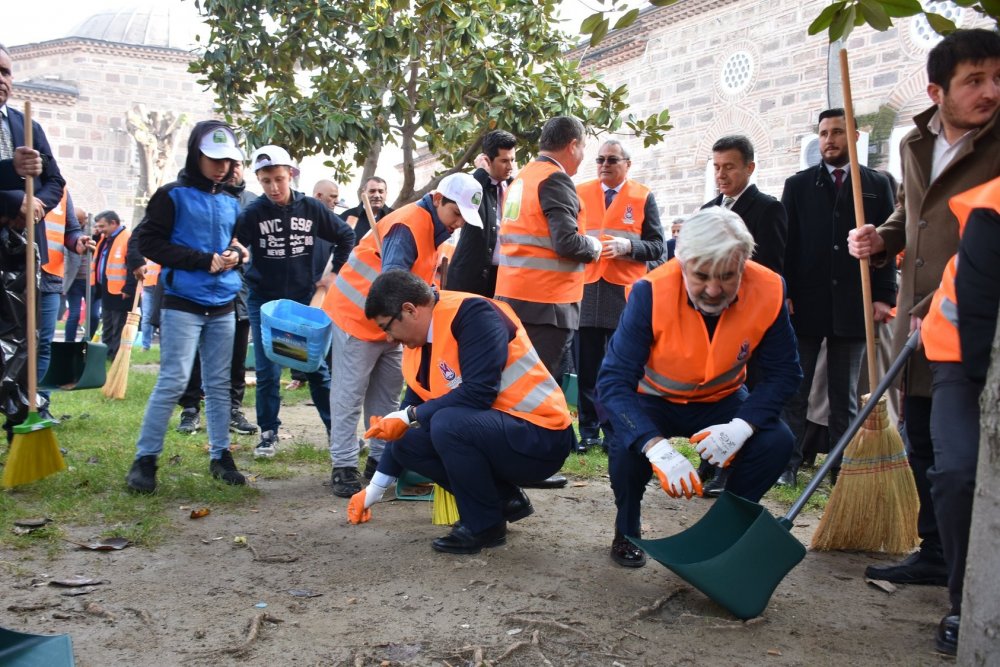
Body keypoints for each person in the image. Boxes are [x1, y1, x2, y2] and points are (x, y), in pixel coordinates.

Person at [847, 29, 1000, 606]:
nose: (991, 92)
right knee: (924, 442)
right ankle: (937, 551)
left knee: (962, 455)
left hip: (970, 317)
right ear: (937, 91)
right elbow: (911, 212)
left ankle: (971, 574)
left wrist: (930, 302)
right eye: (974, 80)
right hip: (917, 320)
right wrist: (879, 239)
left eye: (998, 79)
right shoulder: (917, 143)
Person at [597, 207, 801, 568]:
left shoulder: (770, 287)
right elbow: (613, 381)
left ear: (744, 265)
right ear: (682, 262)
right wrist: (655, 447)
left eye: (727, 276)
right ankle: (627, 530)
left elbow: (785, 372)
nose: (713, 290)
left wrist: (742, 427)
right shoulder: (650, 291)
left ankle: (726, 529)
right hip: (653, 397)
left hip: (722, 398)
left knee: (776, 441)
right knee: (626, 447)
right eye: (701, 276)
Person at [346, 270, 575, 555]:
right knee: (407, 441)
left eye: (387, 327)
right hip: (500, 434)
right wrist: (375, 489)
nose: (389, 338)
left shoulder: (473, 314)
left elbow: (479, 392)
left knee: (447, 423)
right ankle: (503, 501)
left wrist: (409, 416)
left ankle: (483, 526)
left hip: (540, 436)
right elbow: (409, 413)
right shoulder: (418, 343)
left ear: (410, 310)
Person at [321, 172, 483, 497]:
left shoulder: (435, 229)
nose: (458, 224)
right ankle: (344, 466)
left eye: (464, 219)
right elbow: (391, 283)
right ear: (438, 199)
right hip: (358, 319)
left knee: (387, 397)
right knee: (349, 395)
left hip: (394, 325)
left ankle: (381, 461)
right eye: (456, 214)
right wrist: (397, 325)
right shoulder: (408, 224)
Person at [126, 120, 249, 493]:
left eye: (227, 160)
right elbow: (149, 241)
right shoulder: (171, 195)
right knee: (174, 380)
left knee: (219, 384)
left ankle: (221, 456)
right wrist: (201, 260)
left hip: (224, 303)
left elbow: (238, 242)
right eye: (213, 159)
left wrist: (237, 254)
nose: (221, 167)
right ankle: (145, 460)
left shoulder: (232, 200)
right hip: (183, 302)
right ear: (196, 154)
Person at [778, 108, 897, 487]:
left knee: (844, 394)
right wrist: (785, 291)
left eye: (837, 132)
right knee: (797, 389)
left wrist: (884, 296)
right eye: (824, 133)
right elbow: (786, 245)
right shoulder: (798, 185)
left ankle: (840, 467)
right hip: (805, 304)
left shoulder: (876, 184)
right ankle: (787, 464)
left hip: (853, 303)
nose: (829, 140)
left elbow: (888, 243)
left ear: (855, 136)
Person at [919, 178, 999, 655]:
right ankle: (966, 603)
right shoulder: (992, 208)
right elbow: (979, 318)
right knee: (959, 471)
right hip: (963, 353)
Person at [236, 146, 356, 457]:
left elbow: (346, 236)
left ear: (291, 174)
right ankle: (268, 434)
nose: (273, 187)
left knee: (315, 367)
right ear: (258, 180)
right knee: (267, 370)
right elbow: (234, 245)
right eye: (266, 181)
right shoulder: (253, 213)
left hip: (303, 301)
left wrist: (333, 274)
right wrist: (236, 256)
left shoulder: (311, 209)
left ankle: (337, 433)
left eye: (279, 179)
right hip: (265, 301)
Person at [574, 139, 664, 452]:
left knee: (618, 367)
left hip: (624, 293)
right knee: (586, 367)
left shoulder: (642, 196)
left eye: (612, 160)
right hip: (586, 288)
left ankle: (616, 428)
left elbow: (658, 247)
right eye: (600, 159)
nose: (604, 165)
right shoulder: (580, 193)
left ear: (627, 164)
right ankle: (588, 431)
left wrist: (629, 247)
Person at [494, 115, 601, 375]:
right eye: (584, 148)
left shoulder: (522, 178)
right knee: (537, 384)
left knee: (514, 378)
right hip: (546, 304)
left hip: (512, 295)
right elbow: (567, 243)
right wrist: (594, 246)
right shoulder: (555, 179)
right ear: (572, 145)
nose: (583, 156)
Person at [168, 160, 258, 436]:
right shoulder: (190, 197)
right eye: (222, 162)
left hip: (241, 292)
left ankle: (233, 409)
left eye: (237, 163)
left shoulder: (252, 202)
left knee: (237, 356)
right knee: (194, 354)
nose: (231, 169)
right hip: (196, 292)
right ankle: (190, 408)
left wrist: (240, 255)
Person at [701, 134, 786, 274]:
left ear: (750, 168)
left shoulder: (769, 209)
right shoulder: (706, 210)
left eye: (729, 167)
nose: (720, 175)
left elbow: (769, 271)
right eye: (717, 167)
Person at [447, 129, 518, 297]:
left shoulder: (515, 186)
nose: (510, 166)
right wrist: (480, 172)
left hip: (504, 277)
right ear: (487, 160)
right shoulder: (474, 183)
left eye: (512, 160)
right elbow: (460, 203)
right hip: (470, 279)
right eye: (504, 161)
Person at [92, 210, 137, 360]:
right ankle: (106, 355)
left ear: (114, 223)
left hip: (121, 291)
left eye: (102, 226)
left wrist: (129, 287)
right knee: (108, 325)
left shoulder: (127, 238)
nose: (100, 230)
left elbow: (134, 264)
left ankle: (116, 357)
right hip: (107, 288)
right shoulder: (106, 239)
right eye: (98, 226)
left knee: (118, 326)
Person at [340, 176, 392, 241]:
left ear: (386, 194)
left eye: (381, 191)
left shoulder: (394, 217)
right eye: (372, 191)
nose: (377, 195)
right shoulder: (347, 216)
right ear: (363, 193)